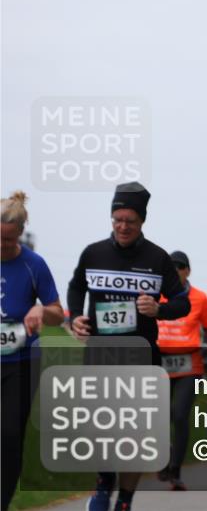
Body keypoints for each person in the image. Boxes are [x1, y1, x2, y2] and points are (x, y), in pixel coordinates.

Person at [69, 182, 191, 511]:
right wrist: (75, 319)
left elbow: (183, 303)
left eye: (130, 221)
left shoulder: (157, 258)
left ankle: (125, 499)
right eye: (117, 219)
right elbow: (76, 285)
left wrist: (160, 310)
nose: (123, 226)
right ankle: (103, 482)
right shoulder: (93, 252)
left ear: (142, 222)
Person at [1, 191, 63, 511]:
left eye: (8, 241)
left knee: (10, 435)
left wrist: (41, 312)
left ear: (20, 235)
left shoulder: (33, 265)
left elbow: (58, 311)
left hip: (21, 362)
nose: (1, 247)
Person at [155, 251, 207, 491]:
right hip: (159, 362)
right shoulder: (155, 295)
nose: (177, 270)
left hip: (189, 364)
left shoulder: (200, 299)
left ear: (188, 271)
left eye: (181, 267)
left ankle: (176, 471)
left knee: (179, 415)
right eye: (172, 267)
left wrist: (205, 349)